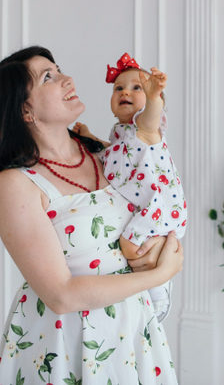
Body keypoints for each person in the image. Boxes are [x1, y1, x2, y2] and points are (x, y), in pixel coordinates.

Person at [0, 46, 183, 385]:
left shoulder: (105, 154)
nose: (67, 79)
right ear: (25, 110)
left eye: (59, 69)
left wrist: (160, 247)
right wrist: (159, 275)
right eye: (48, 77)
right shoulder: (15, 184)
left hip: (131, 331)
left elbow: (158, 198)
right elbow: (61, 295)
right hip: (66, 338)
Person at [74, 53, 187, 321]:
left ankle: (159, 292)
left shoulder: (145, 128)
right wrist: (89, 137)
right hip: (143, 206)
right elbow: (112, 152)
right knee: (134, 247)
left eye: (137, 87)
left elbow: (150, 116)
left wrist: (154, 96)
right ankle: (150, 289)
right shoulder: (121, 134)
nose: (125, 92)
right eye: (119, 88)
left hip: (157, 206)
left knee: (129, 246)